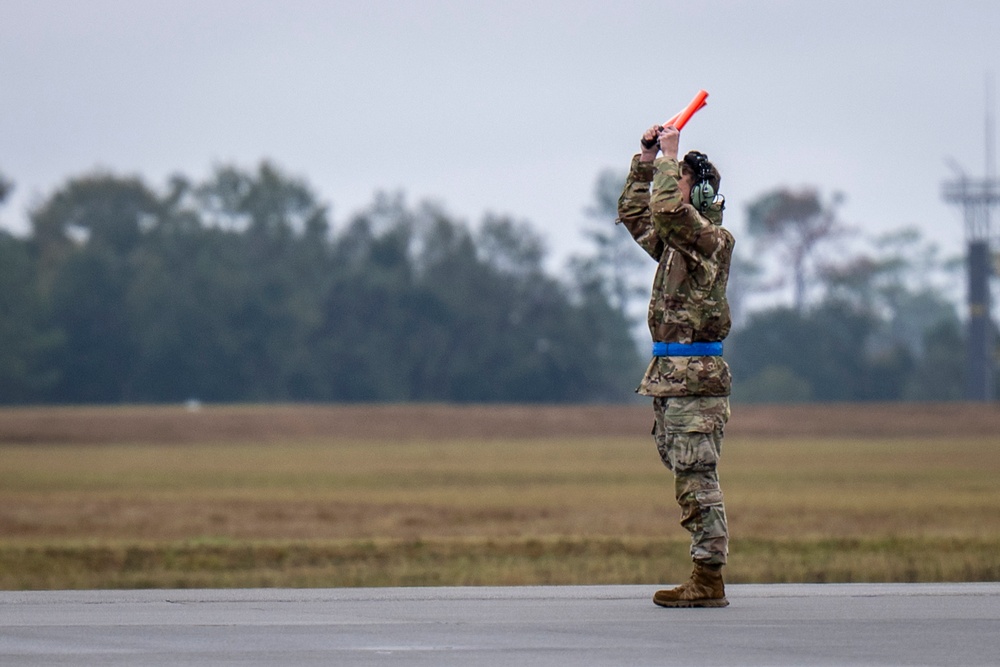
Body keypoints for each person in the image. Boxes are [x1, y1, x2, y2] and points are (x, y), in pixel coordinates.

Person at [617, 124, 734, 608]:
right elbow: (635, 212)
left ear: (698, 192)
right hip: (673, 379)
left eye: (679, 179)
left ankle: (708, 579)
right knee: (684, 470)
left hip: (694, 380)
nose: (670, 186)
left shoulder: (709, 240)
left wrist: (669, 153)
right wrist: (645, 162)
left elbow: (666, 209)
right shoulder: (676, 243)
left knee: (696, 476)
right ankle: (704, 574)